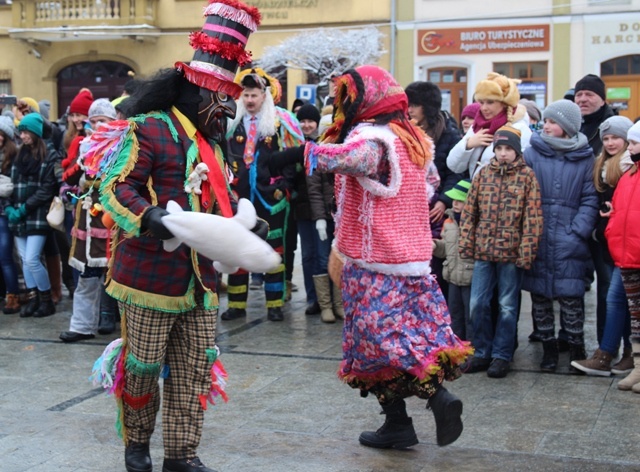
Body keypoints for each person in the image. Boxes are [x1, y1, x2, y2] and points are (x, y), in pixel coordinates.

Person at [93, 1, 261, 470]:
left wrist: (249, 229)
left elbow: (224, 206)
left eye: (232, 99)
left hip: (201, 283)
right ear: (194, 92)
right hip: (147, 278)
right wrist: (148, 216)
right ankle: (137, 445)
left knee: (194, 372)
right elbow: (115, 187)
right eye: (221, 97)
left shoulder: (218, 148)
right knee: (143, 370)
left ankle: (183, 454)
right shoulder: (149, 129)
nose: (227, 108)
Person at [304, 65, 472, 449]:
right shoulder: (412, 139)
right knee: (411, 336)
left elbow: (352, 160)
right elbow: (428, 183)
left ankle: (436, 398)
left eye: (345, 98)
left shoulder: (377, 140)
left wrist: (307, 150)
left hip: (375, 261)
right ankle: (397, 424)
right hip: (411, 260)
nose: (340, 105)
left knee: (379, 343)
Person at [459, 126, 542, 378]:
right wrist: (466, 242)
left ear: (517, 152)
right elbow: (470, 212)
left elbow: (533, 217)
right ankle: (482, 351)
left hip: (511, 253)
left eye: (509, 149)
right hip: (483, 250)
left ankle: (502, 355)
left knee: (507, 305)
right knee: (477, 303)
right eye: (500, 149)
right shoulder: (483, 175)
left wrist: (526, 252)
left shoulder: (527, 177)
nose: (504, 154)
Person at [523, 99, 599, 373]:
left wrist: (577, 230)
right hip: (539, 235)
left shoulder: (585, 156)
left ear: (567, 127)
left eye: (553, 122)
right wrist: (530, 228)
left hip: (569, 237)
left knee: (571, 296)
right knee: (540, 297)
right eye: (546, 120)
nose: (546, 125)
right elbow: (523, 191)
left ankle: (577, 347)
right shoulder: (532, 153)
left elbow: (590, 198)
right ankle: (549, 349)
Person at [222, 67, 304, 322]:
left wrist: (285, 184)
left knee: (273, 249)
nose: (249, 100)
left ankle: (275, 303)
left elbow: (295, 157)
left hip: (272, 198)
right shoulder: (230, 122)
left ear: (264, 96)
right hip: (239, 196)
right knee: (237, 248)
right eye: (245, 95)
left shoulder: (279, 123)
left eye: (254, 95)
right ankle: (236, 304)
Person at [571, 116, 635, 376]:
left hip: (624, 242)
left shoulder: (629, 167)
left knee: (622, 299)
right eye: (606, 138)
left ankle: (621, 353)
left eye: (617, 138)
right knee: (614, 297)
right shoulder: (602, 164)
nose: (610, 143)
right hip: (608, 238)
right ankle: (609, 352)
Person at [59, 99, 119, 343]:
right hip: (87, 220)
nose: (95, 125)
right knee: (86, 276)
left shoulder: (122, 146)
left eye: (101, 121)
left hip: (110, 217)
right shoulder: (82, 146)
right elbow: (68, 178)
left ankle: (124, 324)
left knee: (117, 276)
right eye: (92, 121)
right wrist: (80, 166)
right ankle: (82, 325)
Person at [405, 81, 464, 298]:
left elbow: (455, 173)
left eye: (415, 105)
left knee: (436, 265)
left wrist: (444, 201)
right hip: (410, 208)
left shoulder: (448, 133)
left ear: (427, 106)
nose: (409, 110)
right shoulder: (405, 131)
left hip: (436, 210)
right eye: (408, 104)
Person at [8, 113, 59, 318]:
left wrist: (23, 208)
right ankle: (34, 297)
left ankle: (46, 299)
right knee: (23, 258)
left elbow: (47, 189)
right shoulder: (20, 155)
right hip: (19, 215)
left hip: (37, 214)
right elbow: (10, 184)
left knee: (32, 259)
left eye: (26, 131)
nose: (22, 135)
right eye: (21, 131)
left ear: (35, 133)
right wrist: (10, 207)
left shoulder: (49, 155)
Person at [602, 121, 640, 393]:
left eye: (635, 143)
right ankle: (638, 367)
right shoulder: (628, 176)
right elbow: (620, 211)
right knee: (636, 316)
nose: (630, 148)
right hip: (626, 255)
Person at [447, 72, 532, 178]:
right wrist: (468, 144)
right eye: (481, 102)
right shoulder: (478, 126)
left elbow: (519, 172)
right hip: (478, 192)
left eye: (490, 102)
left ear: (505, 103)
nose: (484, 108)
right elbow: (453, 166)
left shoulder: (519, 129)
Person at [432, 179, 474, 341]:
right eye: (454, 200)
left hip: (470, 278)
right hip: (452, 278)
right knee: (454, 315)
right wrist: (435, 245)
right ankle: (457, 348)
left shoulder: (475, 223)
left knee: (470, 317)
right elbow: (446, 249)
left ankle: (471, 350)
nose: (454, 203)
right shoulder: (448, 222)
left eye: (460, 201)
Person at [0, 116, 20, 314]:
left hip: (5, 212)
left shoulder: (12, 156)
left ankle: (13, 295)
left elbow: (11, 187)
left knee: (5, 256)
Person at [575, 74, 616, 158]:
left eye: (589, 94)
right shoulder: (570, 126)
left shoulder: (613, 127)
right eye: (579, 95)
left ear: (602, 101)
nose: (582, 99)